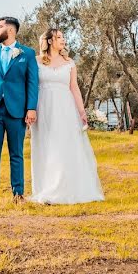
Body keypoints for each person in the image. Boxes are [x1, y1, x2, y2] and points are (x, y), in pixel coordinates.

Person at [29, 28, 104, 205]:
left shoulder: (69, 62)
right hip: (44, 108)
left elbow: (74, 88)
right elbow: (31, 86)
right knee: (45, 146)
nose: (63, 40)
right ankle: (46, 188)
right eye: (59, 37)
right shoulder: (36, 61)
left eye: (63, 37)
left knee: (64, 145)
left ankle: (67, 188)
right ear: (49, 41)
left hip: (65, 108)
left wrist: (82, 111)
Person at [0, 16, 38, 206]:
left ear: (10, 30)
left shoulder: (27, 54)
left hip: (16, 111)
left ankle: (18, 195)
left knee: (16, 154)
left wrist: (31, 108)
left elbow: (32, 83)